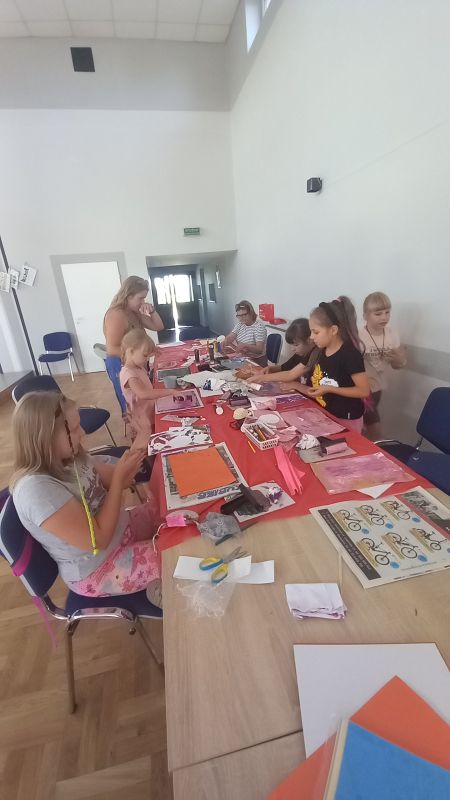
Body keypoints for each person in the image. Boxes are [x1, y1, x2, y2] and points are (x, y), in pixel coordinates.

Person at [10, 392, 162, 605]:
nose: (82, 432)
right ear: (45, 438)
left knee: (173, 511)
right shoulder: (36, 491)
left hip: (121, 530)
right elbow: (99, 540)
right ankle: (161, 591)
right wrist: (119, 480)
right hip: (100, 566)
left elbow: (122, 477)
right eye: (73, 430)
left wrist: (143, 436)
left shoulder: (69, 457)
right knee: (177, 556)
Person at [294, 297, 370, 432]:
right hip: (327, 413)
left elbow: (363, 391)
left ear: (333, 330)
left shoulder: (350, 354)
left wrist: (329, 389)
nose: (311, 337)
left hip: (346, 419)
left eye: (316, 332)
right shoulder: (321, 351)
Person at [103, 276, 164, 413]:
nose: (143, 302)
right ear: (128, 296)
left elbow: (158, 326)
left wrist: (152, 311)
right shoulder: (116, 314)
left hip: (135, 361)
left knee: (142, 401)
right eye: (140, 298)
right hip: (120, 363)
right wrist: (142, 354)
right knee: (131, 406)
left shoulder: (133, 312)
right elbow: (111, 349)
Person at [120, 329, 184, 440]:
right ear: (131, 351)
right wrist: (170, 391)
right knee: (148, 444)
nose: (147, 360)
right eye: (145, 356)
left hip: (149, 412)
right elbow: (143, 394)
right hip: (142, 420)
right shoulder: (129, 374)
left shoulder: (137, 366)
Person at [359, 292, 406, 439]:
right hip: (361, 388)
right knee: (373, 425)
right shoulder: (359, 336)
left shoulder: (392, 334)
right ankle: (377, 447)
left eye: (387, 312)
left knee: (366, 425)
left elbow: (398, 365)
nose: (384, 317)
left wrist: (398, 359)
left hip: (378, 388)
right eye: (378, 313)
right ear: (365, 315)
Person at [245, 318, 317, 384]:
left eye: (296, 345)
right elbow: (284, 367)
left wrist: (262, 378)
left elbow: (290, 374)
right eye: (291, 345)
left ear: (309, 340)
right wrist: (271, 368)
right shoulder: (300, 354)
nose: (292, 349)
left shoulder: (314, 355)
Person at [223, 301, 267, 365]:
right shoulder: (240, 324)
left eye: (244, 315)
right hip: (243, 357)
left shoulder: (259, 326)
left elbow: (259, 350)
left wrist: (245, 345)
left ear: (251, 313)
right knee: (223, 364)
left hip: (257, 361)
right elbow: (231, 336)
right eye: (239, 315)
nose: (241, 318)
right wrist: (226, 339)